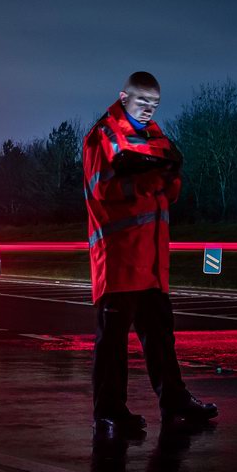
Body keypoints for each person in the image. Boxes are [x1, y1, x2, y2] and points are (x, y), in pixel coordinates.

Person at [83, 71, 217, 439]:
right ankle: (108, 413)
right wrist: (152, 177)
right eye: (142, 102)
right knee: (112, 344)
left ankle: (173, 401)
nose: (147, 110)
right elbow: (103, 190)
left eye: (154, 104)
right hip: (119, 260)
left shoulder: (156, 136)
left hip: (152, 262)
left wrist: (162, 175)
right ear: (123, 96)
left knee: (161, 337)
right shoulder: (104, 136)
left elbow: (170, 189)